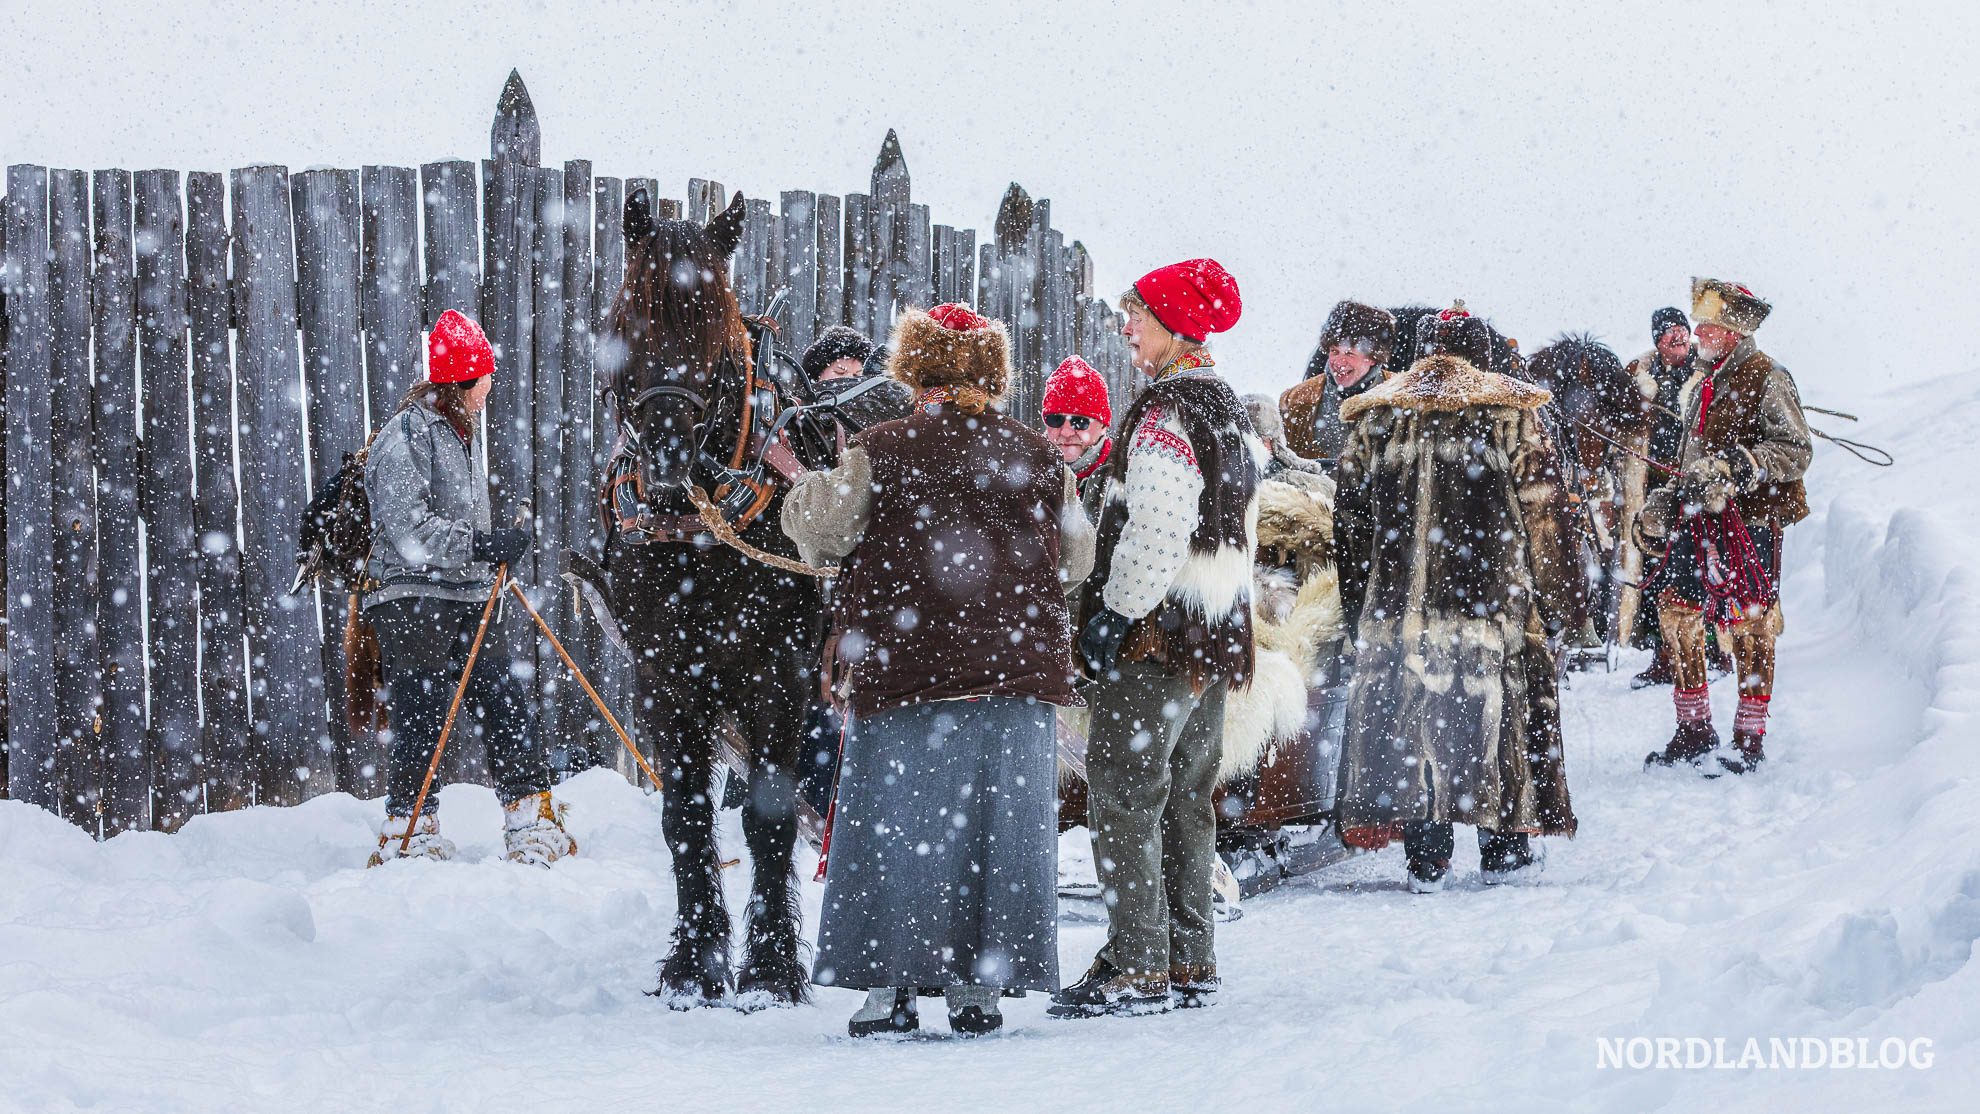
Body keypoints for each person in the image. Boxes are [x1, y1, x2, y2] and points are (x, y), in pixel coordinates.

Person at [783, 303, 1095, 1038]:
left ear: (913, 368)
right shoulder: (1040, 457)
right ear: (992, 374)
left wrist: (799, 486)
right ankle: (977, 990)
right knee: (993, 830)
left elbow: (823, 530)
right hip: (1013, 678)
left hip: (906, 672)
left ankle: (888, 990)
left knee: (897, 828)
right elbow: (1078, 560)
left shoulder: (881, 446)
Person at [1052, 259, 1258, 1019]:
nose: (1128, 331)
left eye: (1137, 318)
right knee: (1187, 798)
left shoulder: (1167, 413)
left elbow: (1159, 527)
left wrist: (1115, 611)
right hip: (1211, 638)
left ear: (1174, 325)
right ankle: (1188, 954)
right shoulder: (1226, 409)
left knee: (1124, 793)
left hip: (1158, 640)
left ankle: (1136, 962)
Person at [1332, 304, 1580, 893]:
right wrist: (1562, 607)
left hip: (1401, 615)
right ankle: (1504, 850)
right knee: (1495, 722)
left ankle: (1427, 858)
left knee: (1417, 726)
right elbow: (1546, 519)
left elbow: (1351, 526)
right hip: (1492, 610)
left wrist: (1361, 609)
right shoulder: (1513, 418)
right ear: (1484, 355)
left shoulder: (1377, 419)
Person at [363, 309, 576, 867]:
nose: (490, 389)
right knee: (421, 712)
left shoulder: (458, 431)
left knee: (504, 699)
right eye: (485, 379)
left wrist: (490, 551)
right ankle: (409, 830)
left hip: (466, 594)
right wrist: (480, 545)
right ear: (463, 380)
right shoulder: (407, 434)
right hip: (410, 597)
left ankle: (530, 820)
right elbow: (409, 531)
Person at [1637, 279, 1811, 775]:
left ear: (1732, 331)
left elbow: (1796, 450)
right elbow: (1689, 459)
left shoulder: (1768, 375)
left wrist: (1738, 466)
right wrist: (1666, 501)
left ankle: (1748, 738)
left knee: (1751, 624)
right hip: (1697, 523)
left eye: (1707, 325)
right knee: (1678, 614)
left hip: (1749, 521)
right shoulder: (1704, 381)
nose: (1697, 333)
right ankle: (1693, 729)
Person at [1621, 308, 1703, 688]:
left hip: (1696, 489)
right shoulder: (1641, 379)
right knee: (1657, 575)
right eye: (1670, 332)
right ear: (1658, 341)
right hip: (1655, 495)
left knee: (1701, 570)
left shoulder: (1706, 373)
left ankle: (1712, 650)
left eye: (1682, 329)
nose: (1679, 336)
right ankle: (1663, 654)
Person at [1279, 300, 1397, 463]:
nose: (1339, 362)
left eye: (1349, 353)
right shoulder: (1296, 400)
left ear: (1372, 358)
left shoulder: (1402, 398)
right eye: (1334, 351)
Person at [1040, 354, 1115, 521]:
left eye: (1079, 421)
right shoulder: (1028, 469)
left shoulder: (1125, 473)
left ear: (1103, 425)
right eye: (1055, 419)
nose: (1066, 432)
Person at [1243, 393, 1331, 495]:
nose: (1266, 447)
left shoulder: (1303, 478)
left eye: (1270, 440)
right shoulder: (1238, 482)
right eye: (1260, 440)